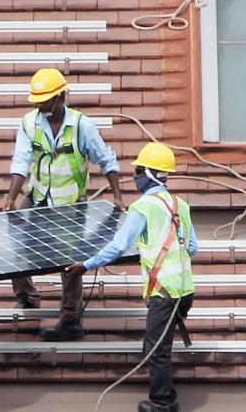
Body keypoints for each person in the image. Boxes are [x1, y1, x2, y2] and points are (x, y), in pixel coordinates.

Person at [64, 142, 198, 412]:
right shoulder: (179, 204)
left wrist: (86, 265)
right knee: (159, 345)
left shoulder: (143, 207)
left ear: (149, 173)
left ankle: (162, 403)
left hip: (164, 293)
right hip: (185, 291)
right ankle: (166, 399)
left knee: (156, 350)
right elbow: (192, 247)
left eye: (138, 170)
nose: (134, 175)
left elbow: (117, 246)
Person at [1, 67, 128, 342]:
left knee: (70, 261)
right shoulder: (29, 122)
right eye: (36, 101)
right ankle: (27, 297)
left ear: (60, 97)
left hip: (69, 203)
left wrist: (118, 197)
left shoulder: (81, 125)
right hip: (37, 196)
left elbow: (106, 159)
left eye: (44, 100)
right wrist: (12, 198)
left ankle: (70, 319)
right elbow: (21, 161)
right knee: (14, 238)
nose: (39, 105)